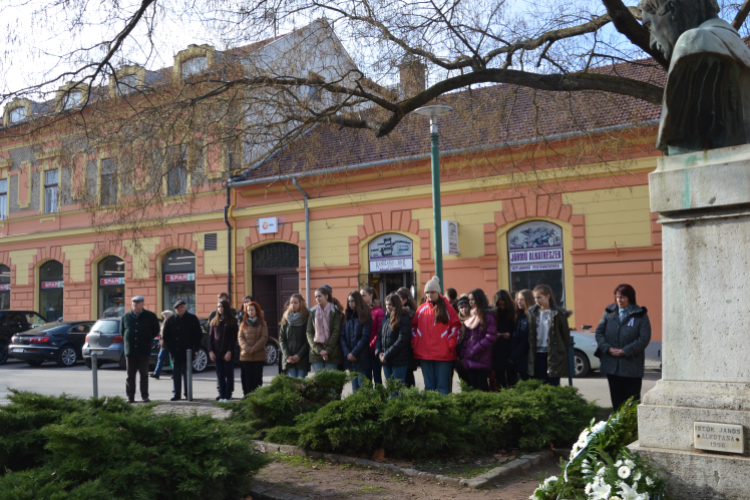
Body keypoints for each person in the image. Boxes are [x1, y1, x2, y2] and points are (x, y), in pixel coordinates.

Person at [595, 284, 652, 411]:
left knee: (631, 401)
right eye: (617, 297)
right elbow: (599, 333)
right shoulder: (609, 312)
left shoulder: (640, 315)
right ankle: (618, 426)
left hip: (631, 366)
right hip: (611, 365)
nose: (619, 300)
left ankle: (632, 428)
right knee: (617, 401)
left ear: (630, 298)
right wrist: (607, 348)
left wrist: (625, 351)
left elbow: (644, 338)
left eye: (622, 297)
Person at [412, 276, 461, 394]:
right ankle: (431, 412)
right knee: (429, 388)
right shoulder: (421, 309)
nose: (429, 294)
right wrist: (415, 342)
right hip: (424, 354)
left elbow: (456, 326)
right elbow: (413, 327)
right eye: (427, 292)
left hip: (443, 354)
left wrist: (450, 344)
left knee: (442, 388)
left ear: (438, 292)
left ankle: (443, 411)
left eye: (432, 292)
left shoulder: (448, 308)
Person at [528, 285, 571, 386]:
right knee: (541, 383)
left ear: (548, 296)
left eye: (539, 297)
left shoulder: (558, 312)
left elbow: (565, 335)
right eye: (534, 297)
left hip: (553, 352)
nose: (536, 300)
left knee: (553, 384)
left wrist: (563, 352)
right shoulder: (532, 312)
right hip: (537, 352)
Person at [161, 300, 203, 401]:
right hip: (175, 351)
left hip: (188, 351)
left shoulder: (192, 319)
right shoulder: (170, 319)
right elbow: (165, 336)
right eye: (177, 308)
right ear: (175, 309)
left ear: (185, 307)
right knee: (176, 373)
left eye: (182, 307)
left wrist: (194, 348)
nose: (180, 309)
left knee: (187, 373)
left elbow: (198, 335)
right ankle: (176, 393)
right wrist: (170, 347)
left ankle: (188, 393)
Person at [121, 296, 160, 403]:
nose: (135, 304)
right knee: (130, 375)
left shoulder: (150, 316)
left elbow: (155, 330)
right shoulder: (125, 316)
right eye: (133, 302)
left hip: (144, 349)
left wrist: (147, 339)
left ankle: (145, 396)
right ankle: (130, 396)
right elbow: (122, 332)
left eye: (137, 302)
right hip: (130, 350)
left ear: (142, 304)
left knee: (144, 374)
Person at [458, 289, 497, 392]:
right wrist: (463, 354)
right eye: (469, 300)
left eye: (473, 300)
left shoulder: (487, 315)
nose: (470, 302)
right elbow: (467, 337)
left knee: (482, 386)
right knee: (473, 387)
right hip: (470, 357)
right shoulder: (471, 316)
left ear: (479, 299)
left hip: (481, 357)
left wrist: (475, 349)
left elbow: (491, 337)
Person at [375, 294, 412, 384]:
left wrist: (387, 355)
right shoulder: (385, 318)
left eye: (390, 304)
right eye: (386, 304)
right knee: (390, 389)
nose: (388, 307)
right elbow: (379, 337)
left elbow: (402, 339)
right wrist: (379, 352)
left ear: (396, 304)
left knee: (399, 388)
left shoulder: (403, 317)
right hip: (386, 359)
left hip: (399, 360)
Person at [341, 291, 373, 391]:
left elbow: (365, 337)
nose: (350, 304)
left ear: (358, 301)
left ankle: (364, 406)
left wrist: (354, 353)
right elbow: (342, 337)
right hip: (350, 357)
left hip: (361, 356)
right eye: (349, 301)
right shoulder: (347, 317)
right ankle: (356, 406)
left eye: (353, 301)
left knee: (362, 385)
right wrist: (348, 353)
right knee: (354, 386)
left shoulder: (364, 315)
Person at [307, 286, 343, 372]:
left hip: (332, 352)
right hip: (316, 352)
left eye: (319, 296)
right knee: (320, 381)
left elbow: (336, 331)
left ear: (326, 296)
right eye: (316, 297)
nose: (317, 298)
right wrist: (320, 350)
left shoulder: (335, 311)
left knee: (331, 382)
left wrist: (327, 350)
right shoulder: (312, 312)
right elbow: (309, 332)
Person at [208, 299, 239, 402]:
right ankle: (222, 395)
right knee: (220, 375)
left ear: (226, 308)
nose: (220, 309)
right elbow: (210, 338)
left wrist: (229, 351)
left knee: (228, 374)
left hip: (228, 353)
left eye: (222, 307)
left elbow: (233, 338)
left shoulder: (233, 321)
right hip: (217, 353)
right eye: (218, 307)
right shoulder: (214, 321)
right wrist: (210, 351)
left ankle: (227, 395)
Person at [238, 300, 268, 396]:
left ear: (256, 311)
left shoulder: (262, 323)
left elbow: (264, 337)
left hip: (259, 355)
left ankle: (257, 396)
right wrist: (247, 348)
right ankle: (247, 396)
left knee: (257, 377)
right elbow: (240, 337)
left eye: (252, 310)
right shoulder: (243, 323)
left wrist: (254, 348)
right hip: (246, 355)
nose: (250, 312)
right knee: (247, 377)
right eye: (248, 310)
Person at [279, 293, 311, 378]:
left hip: (302, 358)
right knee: (292, 385)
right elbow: (282, 339)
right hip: (289, 359)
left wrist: (299, 355)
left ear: (301, 304)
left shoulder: (307, 318)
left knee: (300, 384)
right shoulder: (286, 317)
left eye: (295, 303)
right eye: (291, 303)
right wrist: (287, 356)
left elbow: (308, 340)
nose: (292, 305)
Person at [491, 289, 517, 390]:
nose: (502, 307)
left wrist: (510, 335)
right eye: (499, 305)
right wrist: (495, 335)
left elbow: (517, 331)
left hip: (510, 349)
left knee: (512, 379)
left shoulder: (512, 313)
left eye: (503, 304)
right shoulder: (492, 314)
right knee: (499, 379)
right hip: (496, 350)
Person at [360, 286, 385, 385]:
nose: (361, 298)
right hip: (364, 351)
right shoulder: (361, 311)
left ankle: (378, 399)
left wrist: (370, 346)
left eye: (363, 295)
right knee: (366, 379)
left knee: (377, 378)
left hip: (374, 351)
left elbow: (379, 333)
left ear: (371, 295)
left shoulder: (379, 312)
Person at [396, 287, 418, 388]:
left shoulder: (410, 314)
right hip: (403, 349)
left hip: (407, 348)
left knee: (407, 376)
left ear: (405, 299)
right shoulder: (397, 312)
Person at [509, 290, 533, 382]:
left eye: (522, 299)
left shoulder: (530, 316)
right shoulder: (519, 315)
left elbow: (526, 340)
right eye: (518, 299)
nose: (518, 302)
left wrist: (515, 356)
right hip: (517, 358)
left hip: (525, 358)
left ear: (528, 300)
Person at [150, 310, 173, 380]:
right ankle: (156, 373)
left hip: (170, 344)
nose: (165, 316)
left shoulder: (172, 322)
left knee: (172, 360)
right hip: (163, 345)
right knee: (160, 358)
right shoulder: (164, 322)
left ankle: (175, 374)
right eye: (164, 315)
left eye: (166, 314)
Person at [453, 294, 471, 384]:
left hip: (471, 356)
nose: (464, 309)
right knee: (463, 381)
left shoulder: (474, 320)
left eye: (466, 307)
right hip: (458, 357)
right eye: (461, 307)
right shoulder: (456, 321)